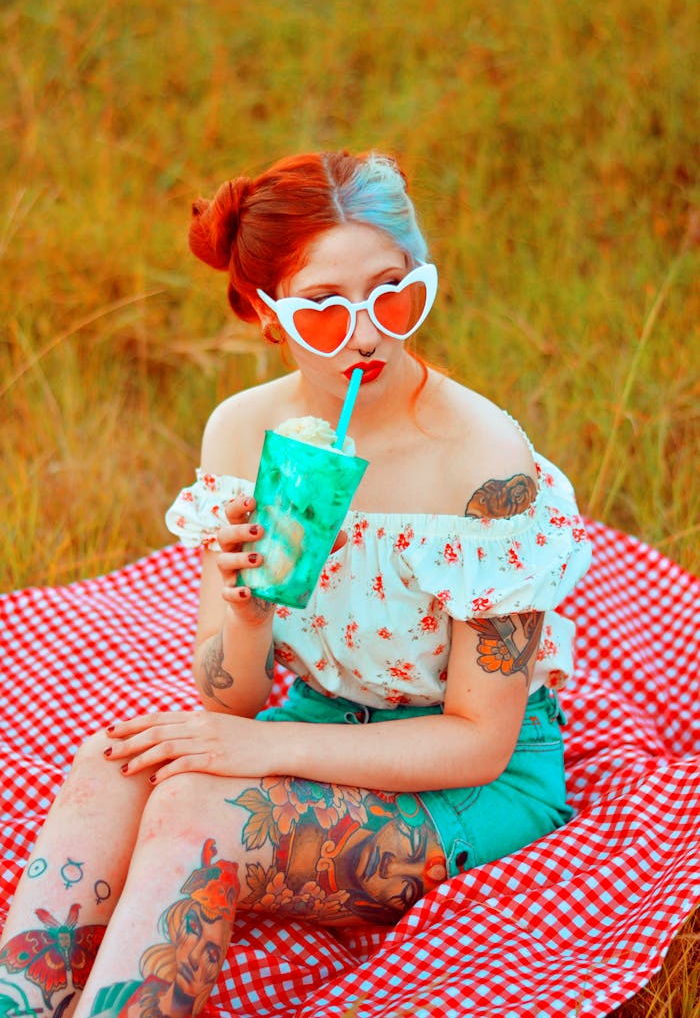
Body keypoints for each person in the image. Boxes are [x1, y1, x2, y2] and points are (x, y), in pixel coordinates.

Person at [0, 150, 592, 1018]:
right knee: (111, 763)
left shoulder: (484, 465)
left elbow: (479, 742)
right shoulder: (245, 434)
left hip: (464, 780)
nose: (366, 335)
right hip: (318, 720)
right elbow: (230, 699)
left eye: (394, 292)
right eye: (322, 308)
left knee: (200, 811)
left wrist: (263, 751)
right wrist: (242, 596)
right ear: (266, 315)